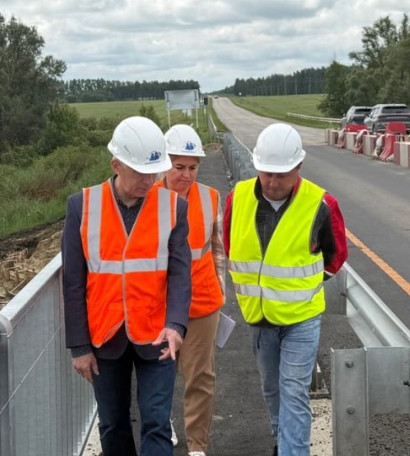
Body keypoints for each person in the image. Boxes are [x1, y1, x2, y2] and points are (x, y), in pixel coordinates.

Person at [62, 116, 192, 456]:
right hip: (104, 336)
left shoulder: (174, 207)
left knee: (156, 423)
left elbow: (180, 273)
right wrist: (79, 346)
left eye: (155, 172)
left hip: (157, 335)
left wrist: (176, 325)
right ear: (116, 164)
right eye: (140, 172)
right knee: (113, 424)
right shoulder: (82, 206)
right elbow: (73, 282)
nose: (150, 180)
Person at [222, 123, 348, 456]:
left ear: (299, 168)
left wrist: (300, 286)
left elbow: (335, 258)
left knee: (293, 390)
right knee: (272, 389)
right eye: (267, 173)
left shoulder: (321, 204)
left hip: (301, 318)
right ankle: (283, 441)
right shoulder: (238, 199)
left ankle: (294, 451)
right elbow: (230, 244)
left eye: (282, 174)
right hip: (259, 318)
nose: (273, 183)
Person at [153, 124, 226, 456]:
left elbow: (217, 248)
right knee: (159, 375)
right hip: (157, 304)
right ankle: (162, 425)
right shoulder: (149, 199)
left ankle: (197, 447)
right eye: (178, 166)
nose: (186, 174)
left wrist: (220, 284)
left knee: (199, 376)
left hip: (202, 302)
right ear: (165, 164)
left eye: (192, 167)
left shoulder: (210, 197)